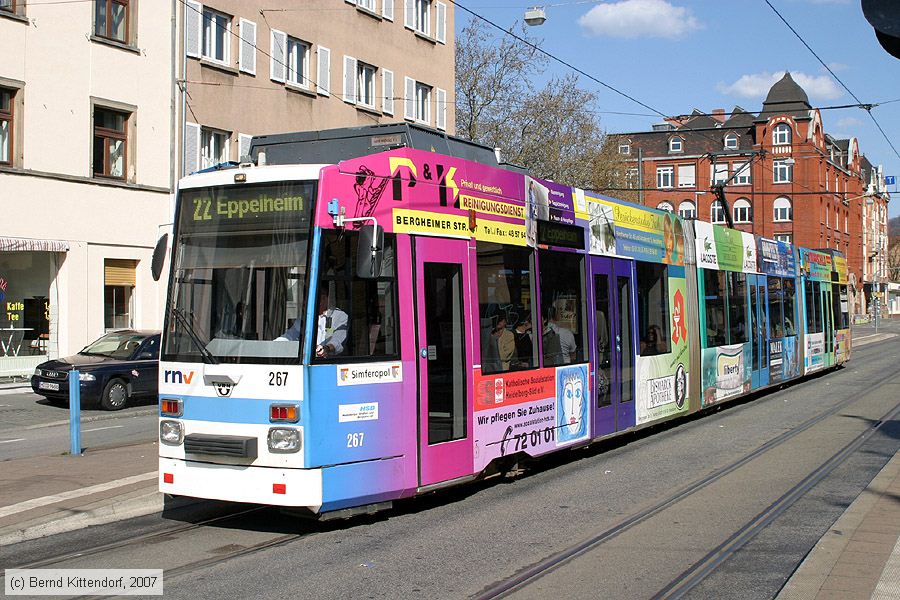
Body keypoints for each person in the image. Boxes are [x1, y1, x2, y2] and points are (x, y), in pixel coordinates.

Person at [277, 288, 348, 358]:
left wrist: (326, 348)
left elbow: (337, 340)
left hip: (330, 361)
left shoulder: (339, 316)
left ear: (326, 299)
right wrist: (275, 344)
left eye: (321, 298)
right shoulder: (305, 318)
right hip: (307, 359)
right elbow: (290, 335)